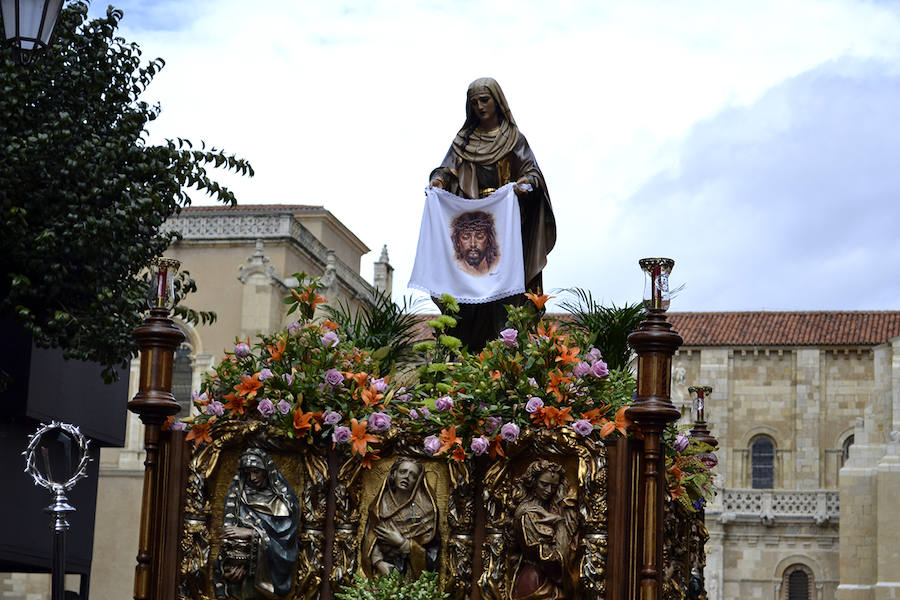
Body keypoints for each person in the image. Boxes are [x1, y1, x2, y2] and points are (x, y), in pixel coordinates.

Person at [429, 77, 556, 351]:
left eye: (484, 100)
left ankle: (503, 354)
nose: (479, 106)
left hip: (505, 228)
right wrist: (438, 182)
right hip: (472, 228)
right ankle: (466, 352)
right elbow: (446, 170)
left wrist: (525, 186)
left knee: (504, 296)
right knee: (469, 292)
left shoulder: (513, 139)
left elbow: (532, 173)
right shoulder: (463, 142)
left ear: (497, 101)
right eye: (474, 102)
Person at [214, 448, 300, 600]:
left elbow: (286, 541)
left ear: (266, 471)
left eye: (256, 471)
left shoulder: (284, 502)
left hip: (271, 573)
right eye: (247, 473)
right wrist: (232, 565)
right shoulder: (239, 496)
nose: (252, 477)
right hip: (242, 575)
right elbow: (228, 535)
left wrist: (253, 533)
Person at [507, 460, 578, 600]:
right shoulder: (528, 514)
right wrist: (560, 525)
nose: (549, 491)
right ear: (533, 482)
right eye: (544, 484)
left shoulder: (549, 507)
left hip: (547, 580)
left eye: (553, 486)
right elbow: (554, 560)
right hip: (536, 581)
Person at [361, 458, 440, 579]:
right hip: (383, 573)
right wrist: (378, 562)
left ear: (417, 481)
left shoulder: (427, 512)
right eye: (403, 472)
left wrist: (403, 543)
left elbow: (433, 555)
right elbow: (369, 540)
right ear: (394, 474)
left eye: (413, 475)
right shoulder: (378, 507)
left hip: (413, 578)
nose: (407, 477)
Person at [451, 210, 501, 276]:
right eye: (466, 237)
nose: (473, 244)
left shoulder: (499, 265)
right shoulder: (452, 268)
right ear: (457, 241)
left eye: (480, 237)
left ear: (489, 240)